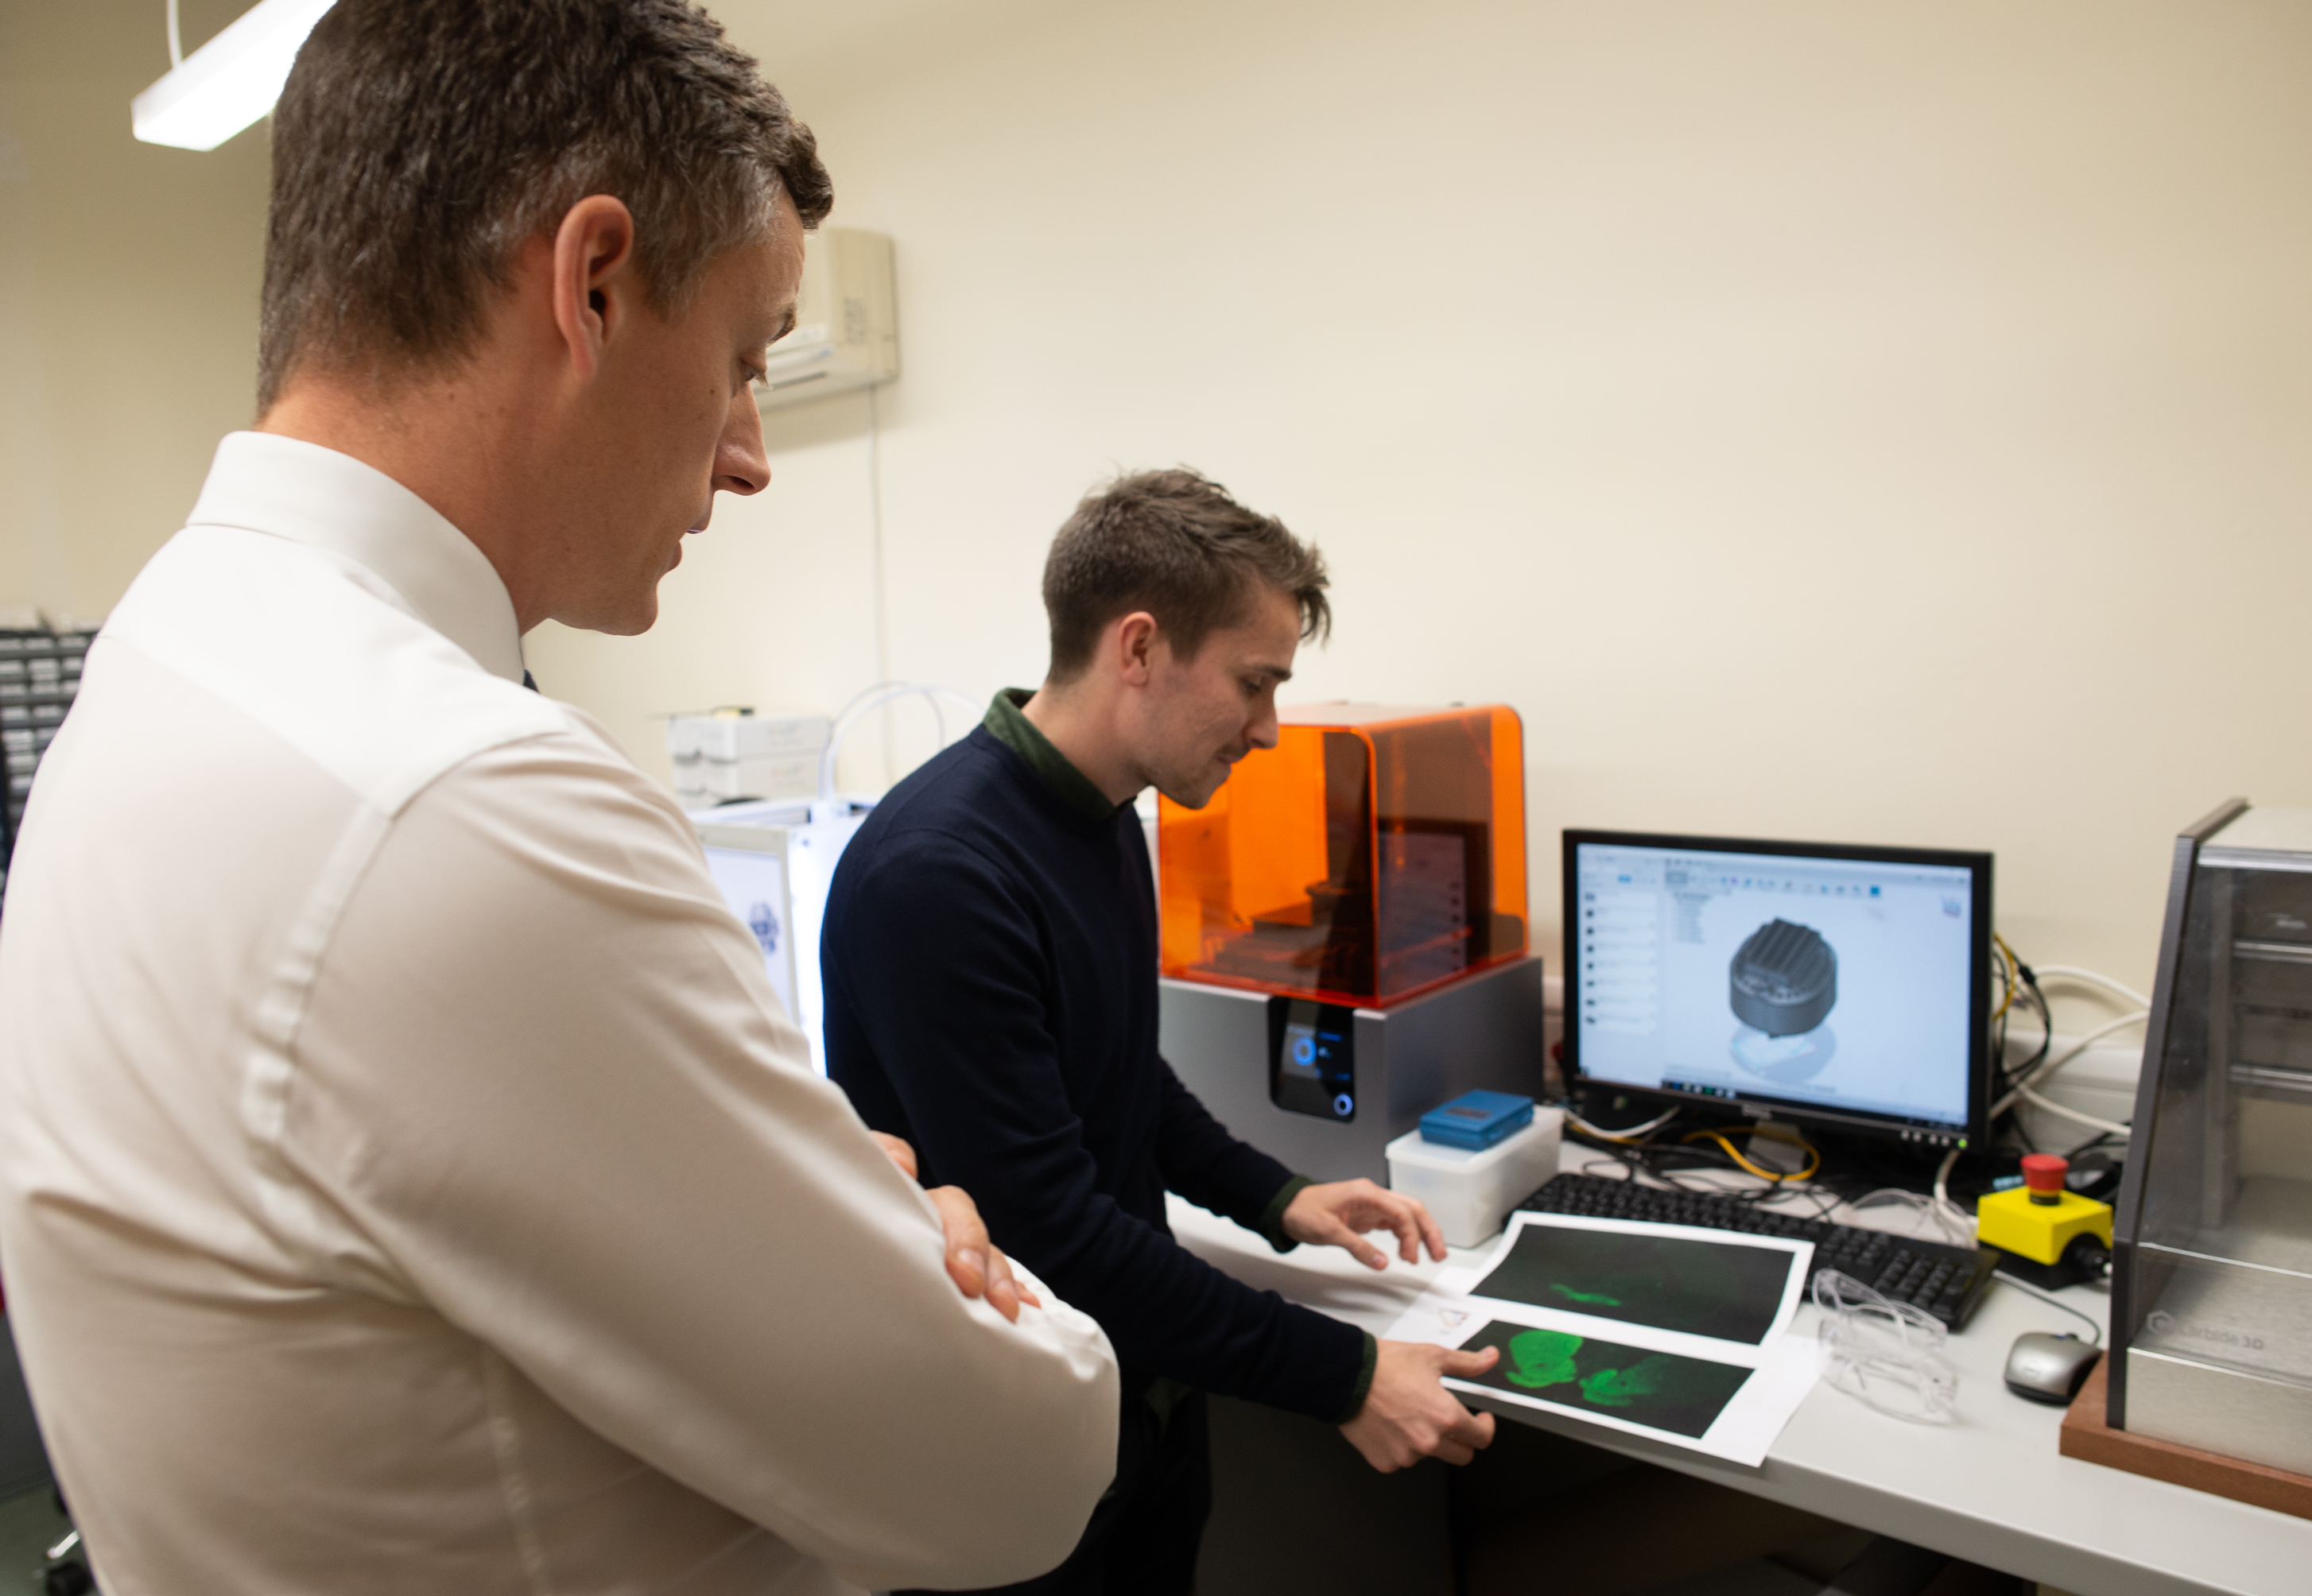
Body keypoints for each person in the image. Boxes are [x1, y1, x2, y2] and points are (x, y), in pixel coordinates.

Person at [0, 3, 1118, 1592]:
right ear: (590, 283)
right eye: (740, 358)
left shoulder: (167, 651)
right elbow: (1024, 1463)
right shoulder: (460, 803)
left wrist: (778, 1196)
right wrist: (910, 1239)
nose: (750, 456)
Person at [824, 469, 1502, 1594]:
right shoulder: (940, 875)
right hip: (1014, 1458)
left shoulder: (1104, 817)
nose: (1272, 729)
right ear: (1137, 648)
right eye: (1254, 683)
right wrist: (1342, 1376)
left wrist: (1277, 1196)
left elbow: (1117, 1071)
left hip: (1143, 1413)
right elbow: (1055, 1232)